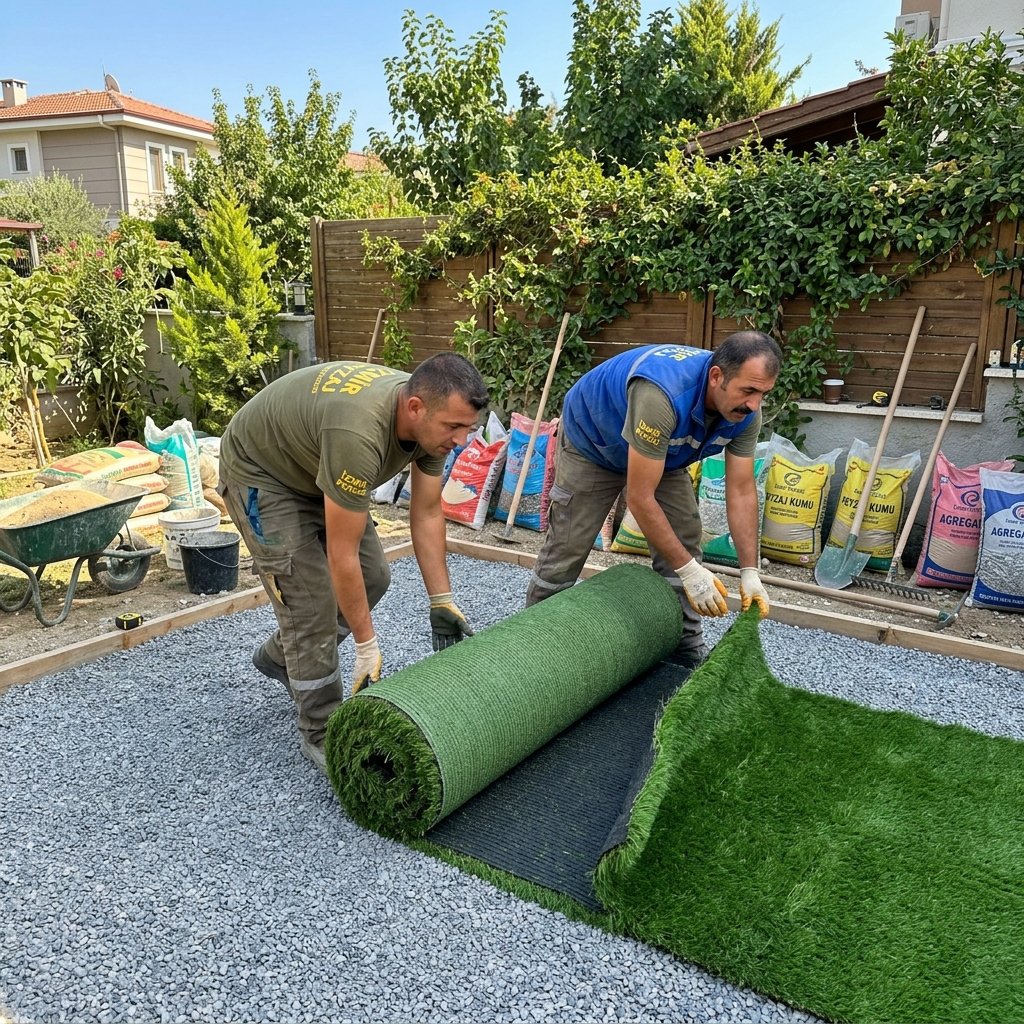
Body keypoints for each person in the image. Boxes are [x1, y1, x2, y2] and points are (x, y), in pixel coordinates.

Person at [218, 352, 489, 773]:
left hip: (313, 463)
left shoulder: (430, 423)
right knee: (310, 604)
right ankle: (321, 729)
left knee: (374, 576)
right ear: (414, 407)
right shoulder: (359, 433)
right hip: (263, 474)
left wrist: (442, 599)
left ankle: (283, 658)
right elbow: (339, 553)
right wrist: (366, 647)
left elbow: (428, 512)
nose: (459, 439)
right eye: (453, 427)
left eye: (466, 428)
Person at [525, 331, 781, 665]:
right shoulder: (662, 395)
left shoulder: (746, 413)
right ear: (717, 377)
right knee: (569, 543)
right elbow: (640, 497)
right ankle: (532, 645)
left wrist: (749, 571)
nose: (754, 404)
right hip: (595, 443)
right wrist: (691, 573)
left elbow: (742, 489)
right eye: (748, 391)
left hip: (661, 453)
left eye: (763, 393)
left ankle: (683, 644)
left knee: (684, 535)